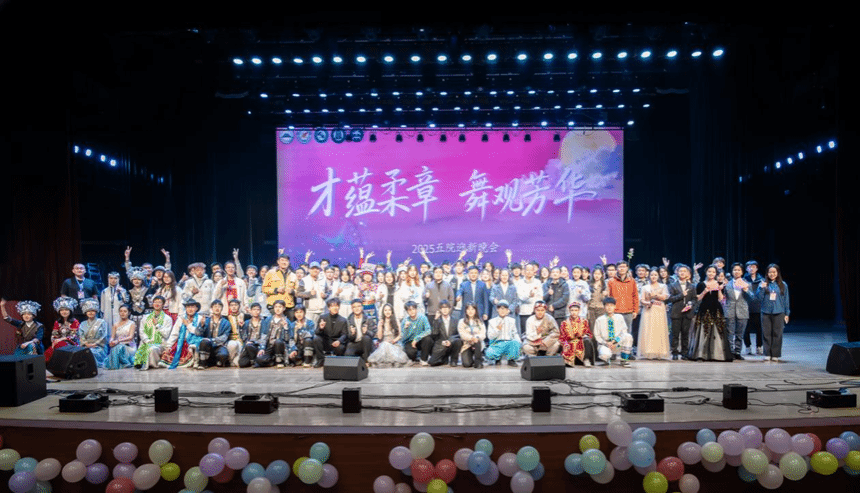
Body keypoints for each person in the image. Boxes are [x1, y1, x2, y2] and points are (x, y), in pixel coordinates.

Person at [688, 265, 732, 362]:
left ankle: (716, 355)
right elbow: (697, 298)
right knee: (703, 331)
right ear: (706, 272)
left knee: (717, 331)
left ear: (716, 274)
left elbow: (721, 299)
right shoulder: (701, 284)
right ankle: (701, 354)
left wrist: (719, 289)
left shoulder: (719, 284)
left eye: (713, 272)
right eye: (709, 271)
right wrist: (704, 291)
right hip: (704, 309)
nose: (711, 273)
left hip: (716, 309)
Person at [756, 264, 790, 363]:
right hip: (765, 312)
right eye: (770, 272)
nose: (772, 274)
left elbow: (786, 300)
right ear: (767, 273)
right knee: (766, 333)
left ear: (778, 273)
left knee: (777, 334)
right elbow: (758, 298)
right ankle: (767, 354)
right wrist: (761, 288)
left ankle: (775, 354)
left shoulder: (783, 285)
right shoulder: (763, 283)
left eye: (774, 272)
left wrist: (787, 313)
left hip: (779, 312)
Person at [607, 260, 639, 358]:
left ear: (627, 268)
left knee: (627, 334)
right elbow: (609, 297)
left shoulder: (632, 281)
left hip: (628, 311)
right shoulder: (611, 281)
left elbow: (635, 296)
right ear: (617, 268)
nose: (622, 268)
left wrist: (635, 310)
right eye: (620, 267)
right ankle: (613, 353)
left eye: (624, 267)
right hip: (615, 311)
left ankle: (627, 353)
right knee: (613, 333)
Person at [637, 269, 671, 360]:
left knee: (659, 329)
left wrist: (655, 295)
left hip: (659, 309)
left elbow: (665, 297)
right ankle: (648, 351)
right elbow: (642, 299)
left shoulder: (663, 286)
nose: (653, 277)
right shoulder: (645, 287)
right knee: (648, 329)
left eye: (655, 275)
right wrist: (647, 302)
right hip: (648, 309)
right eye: (652, 275)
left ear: (658, 276)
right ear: (649, 276)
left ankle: (660, 352)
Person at [667, 264, 697, 360]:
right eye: (680, 271)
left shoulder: (692, 286)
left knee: (685, 334)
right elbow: (670, 299)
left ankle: (685, 352)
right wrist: (681, 295)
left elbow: (694, 299)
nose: (682, 273)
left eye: (685, 271)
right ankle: (674, 352)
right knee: (675, 334)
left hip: (687, 313)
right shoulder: (672, 285)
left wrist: (691, 304)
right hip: (676, 312)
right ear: (677, 272)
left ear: (688, 273)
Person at [134, 296, 173, 370]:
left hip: (160, 344)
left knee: (152, 349)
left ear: (163, 304)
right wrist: (147, 340)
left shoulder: (168, 319)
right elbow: (141, 331)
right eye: (155, 302)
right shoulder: (145, 317)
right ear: (152, 304)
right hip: (147, 342)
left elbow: (166, 334)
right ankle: (142, 362)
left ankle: (152, 365)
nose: (157, 304)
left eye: (159, 302)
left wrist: (157, 325)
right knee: (145, 347)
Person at [592, 297, 634, 367]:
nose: (609, 307)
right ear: (604, 307)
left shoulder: (619, 317)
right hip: (605, 344)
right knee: (605, 355)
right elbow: (597, 336)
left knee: (628, 336)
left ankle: (624, 360)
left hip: (617, 344)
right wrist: (606, 343)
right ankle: (607, 359)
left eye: (611, 305)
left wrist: (614, 341)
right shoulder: (599, 320)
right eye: (607, 305)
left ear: (615, 306)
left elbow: (624, 332)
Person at [161, 300, 202, 369]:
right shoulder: (181, 318)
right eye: (188, 307)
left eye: (192, 307)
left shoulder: (200, 319)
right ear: (185, 308)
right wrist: (168, 346)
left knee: (194, 347)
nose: (190, 309)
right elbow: (175, 333)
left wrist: (188, 325)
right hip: (181, 341)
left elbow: (198, 332)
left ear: (196, 308)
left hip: (194, 341)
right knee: (169, 351)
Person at [724, 263, 753, 360]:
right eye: (735, 270)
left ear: (742, 272)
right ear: (732, 272)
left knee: (740, 334)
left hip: (742, 311)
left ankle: (737, 352)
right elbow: (723, 297)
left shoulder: (747, 283)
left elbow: (752, 298)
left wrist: (746, 290)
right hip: (729, 310)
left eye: (739, 270)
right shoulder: (727, 284)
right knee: (730, 333)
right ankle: (730, 352)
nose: (736, 272)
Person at [368, 303, 409, 367]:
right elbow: (379, 337)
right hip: (383, 345)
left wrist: (394, 340)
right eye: (385, 310)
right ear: (383, 312)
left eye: (389, 310)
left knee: (389, 347)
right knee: (385, 345)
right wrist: (380, 326)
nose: (387, 312)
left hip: (394, 344)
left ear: (392, 311)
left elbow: (400, 334)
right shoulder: (381, 322)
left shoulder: (396, 321)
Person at [312, 298, 349, 367]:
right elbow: (317, 332)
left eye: (336, 306)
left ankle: (338, 362)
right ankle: (320, 360)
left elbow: (345, 334)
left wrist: (339, 341)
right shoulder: (323, 317)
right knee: (316, 339)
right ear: (329, 308)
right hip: (325, 341)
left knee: (341, 347)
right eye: (332, 306)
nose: (335, 308)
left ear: (339, 307)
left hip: (336, 341)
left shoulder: (343, 320)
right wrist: (321, 328)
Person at [485, 300, 522, 366]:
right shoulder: (492, 321)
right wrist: (497, 329)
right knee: (488, 353)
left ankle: (511, 360)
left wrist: (519, 342)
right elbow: (490, 336)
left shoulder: (512, 321)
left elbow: (515, 333)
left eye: (504, 309)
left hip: (509, 343)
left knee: (515, 343)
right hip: (497, 344)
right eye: (501, 308)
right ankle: (497, 359)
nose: (502, 311)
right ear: (497, 310)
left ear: (507, 310)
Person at [256, 300, 291, 367]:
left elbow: (288, 339)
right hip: (269, 345)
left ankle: (280, 361)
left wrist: (285, 328)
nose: (278, 309)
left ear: (284, 308)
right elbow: (264, 334)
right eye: (276, 307)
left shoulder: (287, 321)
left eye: (280, 307)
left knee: (278, 342)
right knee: (259, 359)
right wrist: (262, 348)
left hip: (280, 346)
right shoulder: (268, 319)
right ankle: (272, 360)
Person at [427, 300, 463, 367]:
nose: (445, 310)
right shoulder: (437, 320)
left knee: (458, 341)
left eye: (446, 308)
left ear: (449, 309)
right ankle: (444, 358)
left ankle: (454, 360)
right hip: (441, 344)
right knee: (432, 362)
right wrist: (436, 320)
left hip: (452, 343)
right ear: (440, 309)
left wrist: (450, 341)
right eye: (443, 308)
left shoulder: (455, 320)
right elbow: (434, 334)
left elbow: (459, 334)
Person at [198, 300, 232, 369]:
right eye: (215, 306)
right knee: (204, 342)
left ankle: (215, 361)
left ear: (222, 309)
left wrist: (211, 340)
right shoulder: (206, 320)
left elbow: (224, 338)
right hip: (207, 345)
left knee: (223, 355)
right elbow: (198, 334)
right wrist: (201, 326)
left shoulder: (226, 322)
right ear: (212, 308)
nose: (217, 308)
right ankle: (202, 363)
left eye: (219, 307)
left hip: (219, 345)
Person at [559, 302, 595, 367]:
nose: (574, 312)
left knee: (587, 340)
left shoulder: (584, 321)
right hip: (569, 343)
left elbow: (588, 333)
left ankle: (586, 359)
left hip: (580, 342)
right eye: (572, 310)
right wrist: (565, 343)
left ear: (579, 311)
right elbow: (562, 336)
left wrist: (583, 335)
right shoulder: (564, 323)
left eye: (576, 310)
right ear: (569, 311)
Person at [45, 296, 80, 362]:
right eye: (62, 310)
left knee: (59, 346)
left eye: (66, 310)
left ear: (70, 311)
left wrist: (61, 339)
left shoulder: (75, 322)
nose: (64, 312)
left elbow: (74, 336)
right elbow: (54, 334)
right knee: (48, 353)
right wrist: (54, 341)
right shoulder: (57, 322)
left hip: (71, 344)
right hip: (58, 343)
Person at [262, 254, 297, 319]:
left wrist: (292, 291)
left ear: (289, 262)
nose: (284, 262)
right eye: (282, 260)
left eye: (286, 260)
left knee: (289, 324)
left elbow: (298, 291)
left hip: (289, 306)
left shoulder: (293, 275)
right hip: (274, 306)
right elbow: (264, 289)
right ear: (278, 262)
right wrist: (276, 290)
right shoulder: (270, 273)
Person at [400, 300, 434, 366]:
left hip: (420, 340)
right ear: (407, 311)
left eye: (413, 309)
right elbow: (403, 338)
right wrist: (406, 328)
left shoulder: (422, 318)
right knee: (411, 353)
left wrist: (417, 339)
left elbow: (428, 330)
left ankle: (423, 359)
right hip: (410, 341)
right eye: (409, 310)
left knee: (428, 339)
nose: (412, 311)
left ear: (416, 309)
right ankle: (415, 358)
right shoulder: (405, 321)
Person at [78, 298, 109, 368]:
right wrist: (86, 344)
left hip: (99, 346)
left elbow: (104, 336)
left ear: (96, 311)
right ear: (85, 312)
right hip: (86, 346)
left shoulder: (102, 322)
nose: (90, 313)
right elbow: (81, 336)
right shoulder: (82, 324)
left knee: (91, 352)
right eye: (88, 311)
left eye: (92, 311)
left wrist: (95, 344)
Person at [743, 260, 765, 356]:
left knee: (759, 329)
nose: (751, 268)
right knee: (746, 329)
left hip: (759, 308)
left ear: (757, 268)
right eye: (749, 267)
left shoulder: (762, 280)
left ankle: (759, 346)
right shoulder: (743, 280)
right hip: (746, 308)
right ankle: (748, 347)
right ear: (746, 269)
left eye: (753, 267)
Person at [516, 262, 544, 337]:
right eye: (527, 270)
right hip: (524, 312)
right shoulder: (520, 283)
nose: (529, 272)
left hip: (535, 312)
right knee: (525, 334)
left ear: (534, 271)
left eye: (531, 270)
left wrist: (537, 308)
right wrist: (529, 295)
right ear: (524, 271)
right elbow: (520, 297)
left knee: (537, 333)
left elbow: (540, 297)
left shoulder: (538, 282)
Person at [106, 305, 137, 369]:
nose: (122, 313)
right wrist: (111, 341)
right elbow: (112, 337)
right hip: (118, 344)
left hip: (129, 346)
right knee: (116, 348)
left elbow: (130, 337)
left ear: (129, 313)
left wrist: (118, 341)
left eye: (125, 311)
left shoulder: (132, 323)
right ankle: (115, 365)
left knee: (119, 347)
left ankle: (124, 363)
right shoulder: (115, 324)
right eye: (121, 311)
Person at [457, 302, 486, 368]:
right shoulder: (461, 322)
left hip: (477, 343)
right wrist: (471, 338)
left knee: (477, 341)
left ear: (475, 311)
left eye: (472, 309)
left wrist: (476, 337)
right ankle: (473, 359)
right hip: (467, 344)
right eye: (468, 309)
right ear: (466, 311)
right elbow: (462, 334)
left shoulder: (480, 321)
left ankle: (478, 362)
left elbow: (483, 334)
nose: (470, 311)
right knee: (467, 364)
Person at [238, 303, 265, 368]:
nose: (256, 311)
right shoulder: (247, 322)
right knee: (242, 363)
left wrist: (260, 346)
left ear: (260, 311)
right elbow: (243, 338)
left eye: (258, 310)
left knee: (250, 346)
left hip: (259, 345)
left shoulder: (264, 322)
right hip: (248, 346)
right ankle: (254, 360)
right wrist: (241, 328)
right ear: (250, 311)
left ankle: (254, 360)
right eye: (254, 309)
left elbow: (265, 336)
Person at [586, 266, 607, 331]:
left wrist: (605, 295)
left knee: (601, 327)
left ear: (601, 275)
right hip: (591, 309)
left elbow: (607, 300)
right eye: (595, 274)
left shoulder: (604, 285)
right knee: (592, 328)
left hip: (601, 309)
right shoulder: (589, 284)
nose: (597, 276)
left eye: (598, 274)